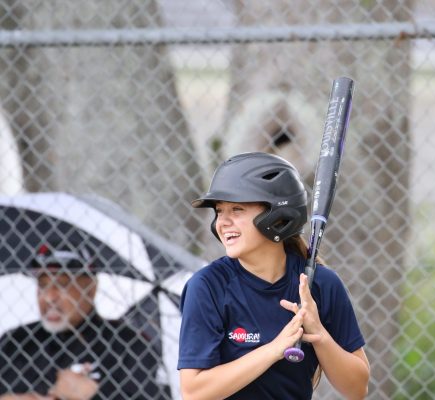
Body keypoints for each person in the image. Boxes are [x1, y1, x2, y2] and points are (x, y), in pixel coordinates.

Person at [178, 152, 370, 399]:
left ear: (278, 216)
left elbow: (357, 389)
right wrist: (274, 349)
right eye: (219, 211)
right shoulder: (207, 286)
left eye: (236, 209)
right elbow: (194, 392)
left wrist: (319, 334)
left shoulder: (319, 284)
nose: (222, 222)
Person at [0, 239, 171, 400]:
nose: (49, 297)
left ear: (91, 288)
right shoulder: (15, 342)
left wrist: (94, 394)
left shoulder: (129, 345)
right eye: (43, 285)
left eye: (62, 284)